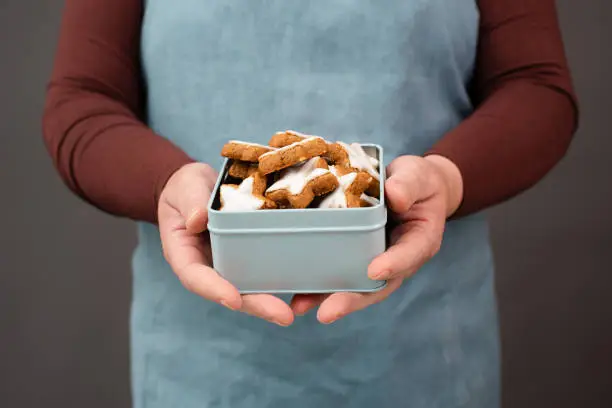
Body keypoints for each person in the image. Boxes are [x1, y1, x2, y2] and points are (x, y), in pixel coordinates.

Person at [42, 0, 578, 407]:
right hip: (202, 364)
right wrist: (168, 183)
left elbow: (534, 84)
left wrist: (445, 178)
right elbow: (82, 98)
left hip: (425, 350)